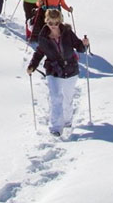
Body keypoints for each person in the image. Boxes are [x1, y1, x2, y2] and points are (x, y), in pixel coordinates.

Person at [27, 9, 89, 137]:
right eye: (50, 23)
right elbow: (39, 52)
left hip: (70, 69)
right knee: (55, 97)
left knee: (67, 98)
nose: (53, 26)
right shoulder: (43, 36)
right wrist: (32, 65)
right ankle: (56, 127)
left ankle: (67, 121)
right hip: (53, 70)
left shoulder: (67, 32)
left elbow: (79, 47)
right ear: (46, 21)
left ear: (59, 21)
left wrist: (84, 45)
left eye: (55, 23)